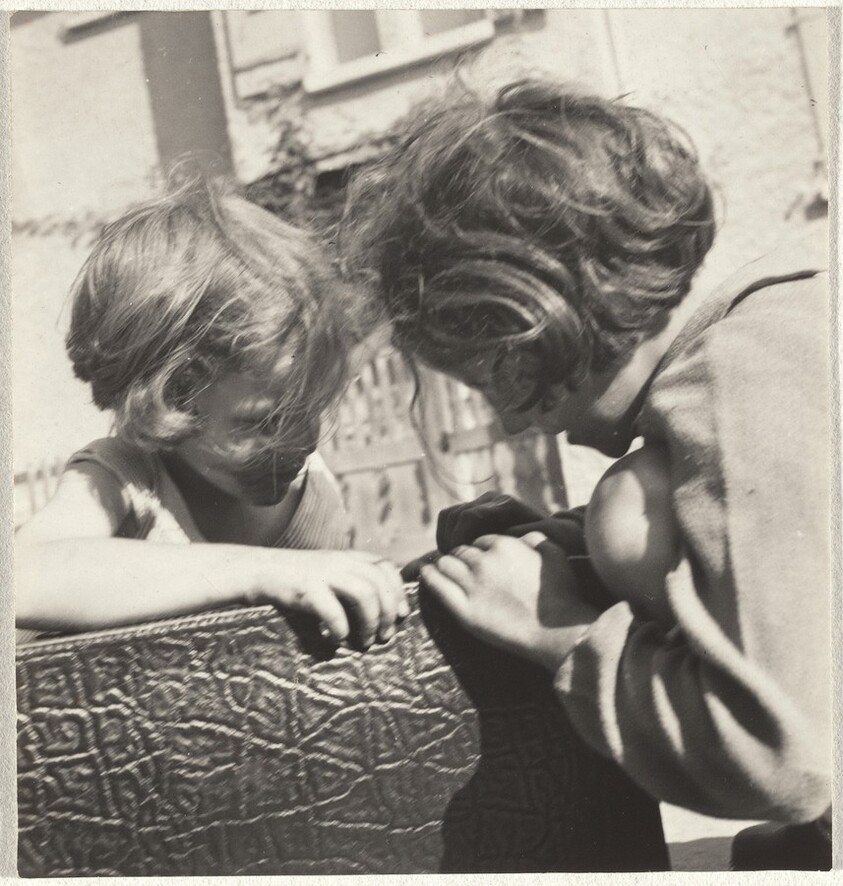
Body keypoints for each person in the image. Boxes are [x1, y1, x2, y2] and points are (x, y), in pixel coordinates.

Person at [341, 79, 831, 854]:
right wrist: (560, 544)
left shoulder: (742, 381)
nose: (508, 420)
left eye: (490, 378)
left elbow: (777, 756)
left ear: (534, 321)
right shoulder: (777, 339)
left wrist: (559, 629)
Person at [16, 172, 407, 650]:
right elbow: (20, 577)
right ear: (172, 398)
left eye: (312, 408)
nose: (303, 441)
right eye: (263, 421)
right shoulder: (126, 478)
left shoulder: (314, 493)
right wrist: (261, 571)